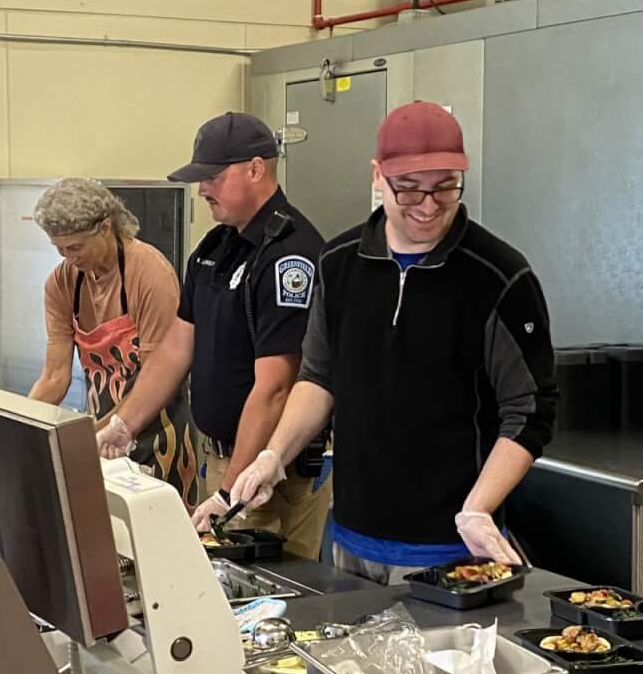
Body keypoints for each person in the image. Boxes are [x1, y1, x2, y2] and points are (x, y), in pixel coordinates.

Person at [228, 101, 557, 583]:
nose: (428, 206)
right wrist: (273, 455)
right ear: (378, 175)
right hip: (349, 539)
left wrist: (478, 508)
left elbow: (531, 409)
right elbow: (318, 377)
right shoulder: (338, 263)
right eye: (409, 190)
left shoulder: (499, 276)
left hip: (449, 550)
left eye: (445, 187)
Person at [98, 113, 329, 560]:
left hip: (267, 475)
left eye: (213, 177)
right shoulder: (214, 248)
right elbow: (176, 348)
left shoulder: (290, 255)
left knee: (260, 604)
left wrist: (229, 492)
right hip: (222, 458)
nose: (202, 189)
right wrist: (125, 423)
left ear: (256, 169)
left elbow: (277, 387)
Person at [28, 177, 196, 497]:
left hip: (157, 433)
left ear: (106, 228)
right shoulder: (62, 282)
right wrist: (23, 425)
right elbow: (54, 376)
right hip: (101, 431)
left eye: (76, 247)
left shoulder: (150, 273)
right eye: (60, 249)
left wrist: (103, 431)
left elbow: (158, 374)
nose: (69, 258)